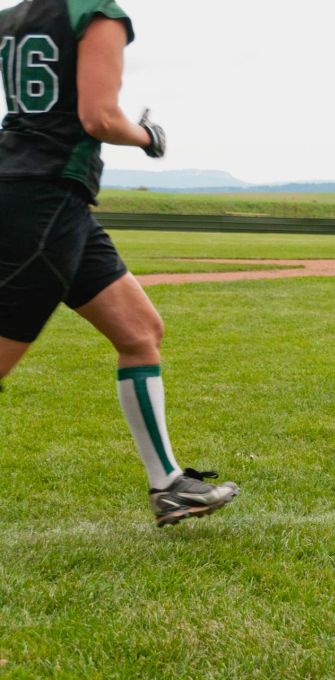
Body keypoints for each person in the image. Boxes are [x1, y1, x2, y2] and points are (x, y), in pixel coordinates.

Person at [0, 0, 238, 527]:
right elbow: (100, 117)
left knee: (140, 331)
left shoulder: (13, 16)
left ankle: (168, 486)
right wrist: (150, 137)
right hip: (46, 199)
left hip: (50, 197)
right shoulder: (94, 11)